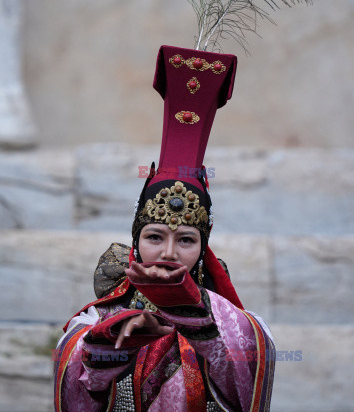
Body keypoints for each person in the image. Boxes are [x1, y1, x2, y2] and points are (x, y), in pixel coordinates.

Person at [54, 45, 275, 412]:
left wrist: (193, 315)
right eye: (155, 236)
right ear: (135, 244)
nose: (169, 253)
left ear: (204, 249)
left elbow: (244, 374)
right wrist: (112, 344)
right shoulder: (96, 322)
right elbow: (76, 381)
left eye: (186, 240)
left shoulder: (232, 326)